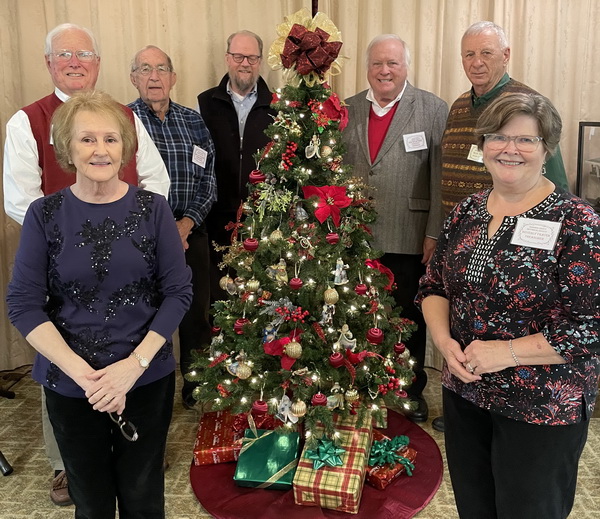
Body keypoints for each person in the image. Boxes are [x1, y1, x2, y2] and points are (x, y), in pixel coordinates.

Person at [2, 23, 171, 506]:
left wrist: (138, 228)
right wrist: (66, 231)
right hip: (68, 331)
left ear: (97, 62)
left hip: (141, 357)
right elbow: (22, 201)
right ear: (49, 62)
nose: (75, 61)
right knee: (87, 487)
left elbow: (155, 181)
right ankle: (65, 470)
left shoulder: (127, 120)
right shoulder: (26, 123)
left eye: (85, 54)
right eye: (64, 54)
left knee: (141, 488)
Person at [417, 92, 600, 518]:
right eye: (498, 137)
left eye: (526, 140)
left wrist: (506, 352)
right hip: (465, 393)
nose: (510, 149)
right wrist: (444, 344)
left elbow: (591, 326)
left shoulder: (578, 224)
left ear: (546, 148)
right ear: (482, 146)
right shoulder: (467, 212)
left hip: (541, 408)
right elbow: (433, 286)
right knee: (475, 507)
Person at [432, 20, 571, 433]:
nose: (477, 62)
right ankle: (468, 393)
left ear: (506, 55)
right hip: (465, 237)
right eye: (469, 54)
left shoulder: (529, 104)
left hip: (519, 246)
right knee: (464, 322)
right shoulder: (458, 106)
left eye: (487, 53)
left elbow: (557, 187)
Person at [343, 34, 448, 423]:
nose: (384, 71)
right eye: (377, 64)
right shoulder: (347, 109)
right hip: (353, 238)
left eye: (393, 63)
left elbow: (440, 178)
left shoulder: (433, 109)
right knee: (356, 316)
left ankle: (410, 389)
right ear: (367, 68)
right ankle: (357, 384)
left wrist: (434, 233)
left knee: (408, 319)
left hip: (410, 233)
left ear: (406, 66)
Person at [128, 45, 217, 408]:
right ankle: (152, 388)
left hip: (190, 233)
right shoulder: (122, 120)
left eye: (162, 68)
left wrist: (186, 223)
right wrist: (162, 229)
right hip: (141, 238)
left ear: (173, 78)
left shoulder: (193, 120)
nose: (154, 76)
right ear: (133, 78)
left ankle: (194, 387)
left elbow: (208, 179)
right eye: (145, 69)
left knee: (196, 314)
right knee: (148, 315)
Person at [197, 30, 275, 302]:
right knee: (219, 298)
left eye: (252, 57)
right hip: (216, 218)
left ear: (260, 61)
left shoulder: (277, 107)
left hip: (264, 223)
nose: (245, 63)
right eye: (239, 56)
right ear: (227, 58)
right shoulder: (204, 103)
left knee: (261, 300)